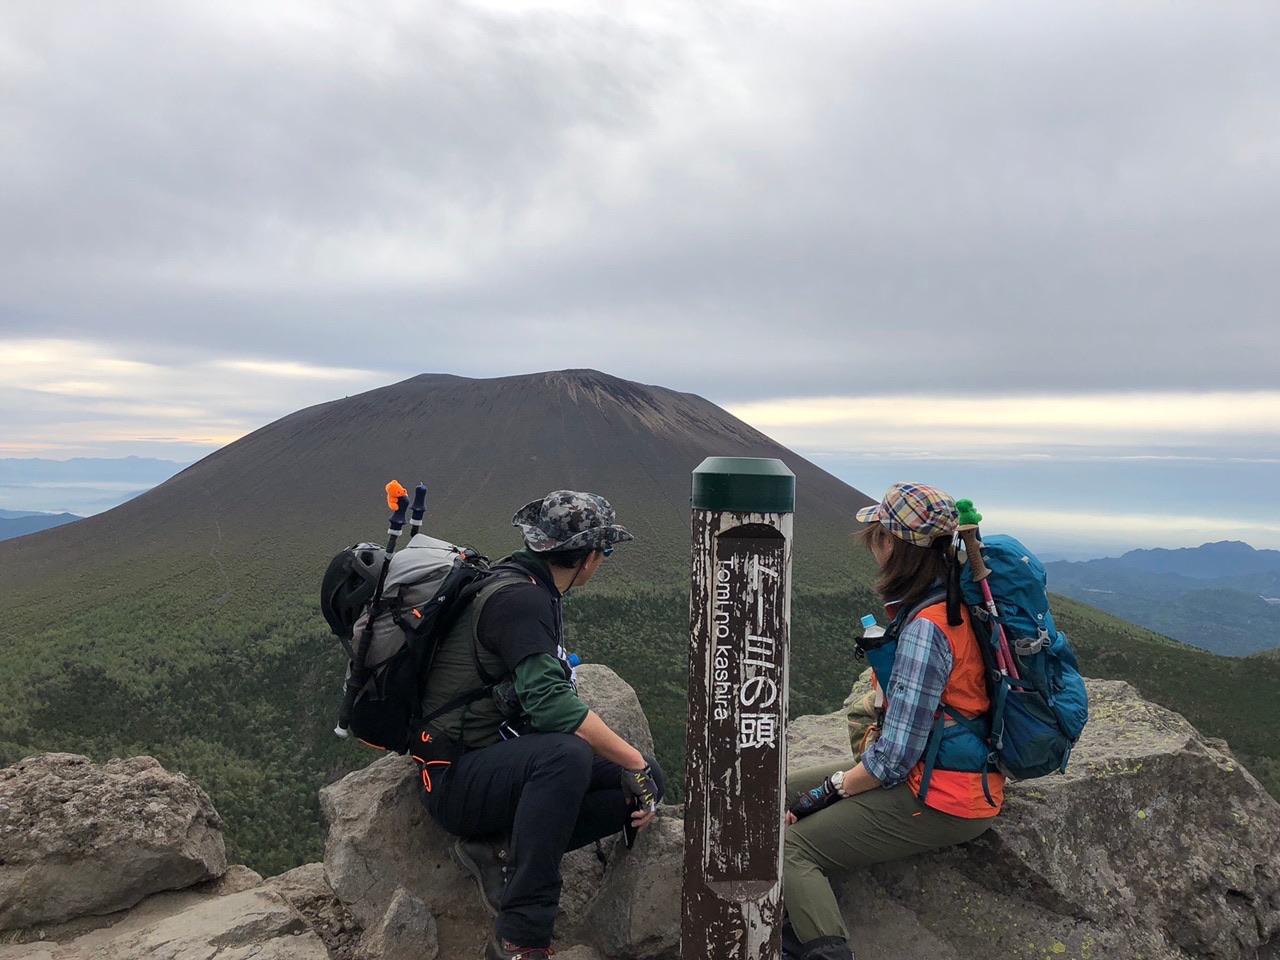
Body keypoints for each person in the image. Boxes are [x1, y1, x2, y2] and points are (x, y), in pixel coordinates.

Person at [414, 490, 664, 960]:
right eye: (605, 552)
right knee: (567, 756)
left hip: (493, 762)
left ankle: (503, 850)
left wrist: (636, 767)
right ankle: (520, 937)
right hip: (453, 776)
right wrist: (627, 756)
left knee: (646, 778)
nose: (603, 562)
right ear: (589, 557)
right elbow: (549, 705)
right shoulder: (520, 600)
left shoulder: (524, 582)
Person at [780, 483, 1005, 960]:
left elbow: (891, 762)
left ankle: (826, 951)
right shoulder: (953, 601)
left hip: (944, 795)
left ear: (896, 546)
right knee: (770, 790)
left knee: (791, 846)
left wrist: (823, 795)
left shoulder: (928, 628)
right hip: (943, 771)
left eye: (879, 536)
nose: (873, 546)